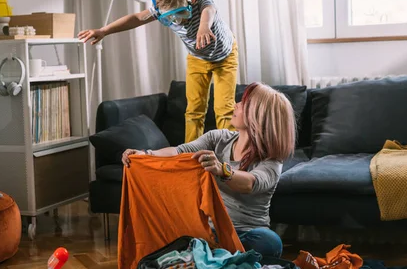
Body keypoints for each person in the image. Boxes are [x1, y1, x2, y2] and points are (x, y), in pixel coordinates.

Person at [121, 82, 296, 258]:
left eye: (244, 103)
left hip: (246, 233)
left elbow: (251, 183)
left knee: (270, 242)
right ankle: (217, 254)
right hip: (210, 229)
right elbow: (179, 151)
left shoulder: (272, 161)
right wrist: (145, 154)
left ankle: (207, 253)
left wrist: (222, 170)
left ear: (259, 115)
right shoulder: (218, 138)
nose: (236, 104)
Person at [78, 0, 238, 143]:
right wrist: (104, 30)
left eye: (181, 13)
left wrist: (204, 26)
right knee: (193, 110)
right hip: (197, 59)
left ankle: (227, 155)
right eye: (171, 17)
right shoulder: (159, 9)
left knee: (224, 109)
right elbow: (137, 18)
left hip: (224, 57)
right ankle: (192, 154)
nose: (178, 20)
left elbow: (210, 10)